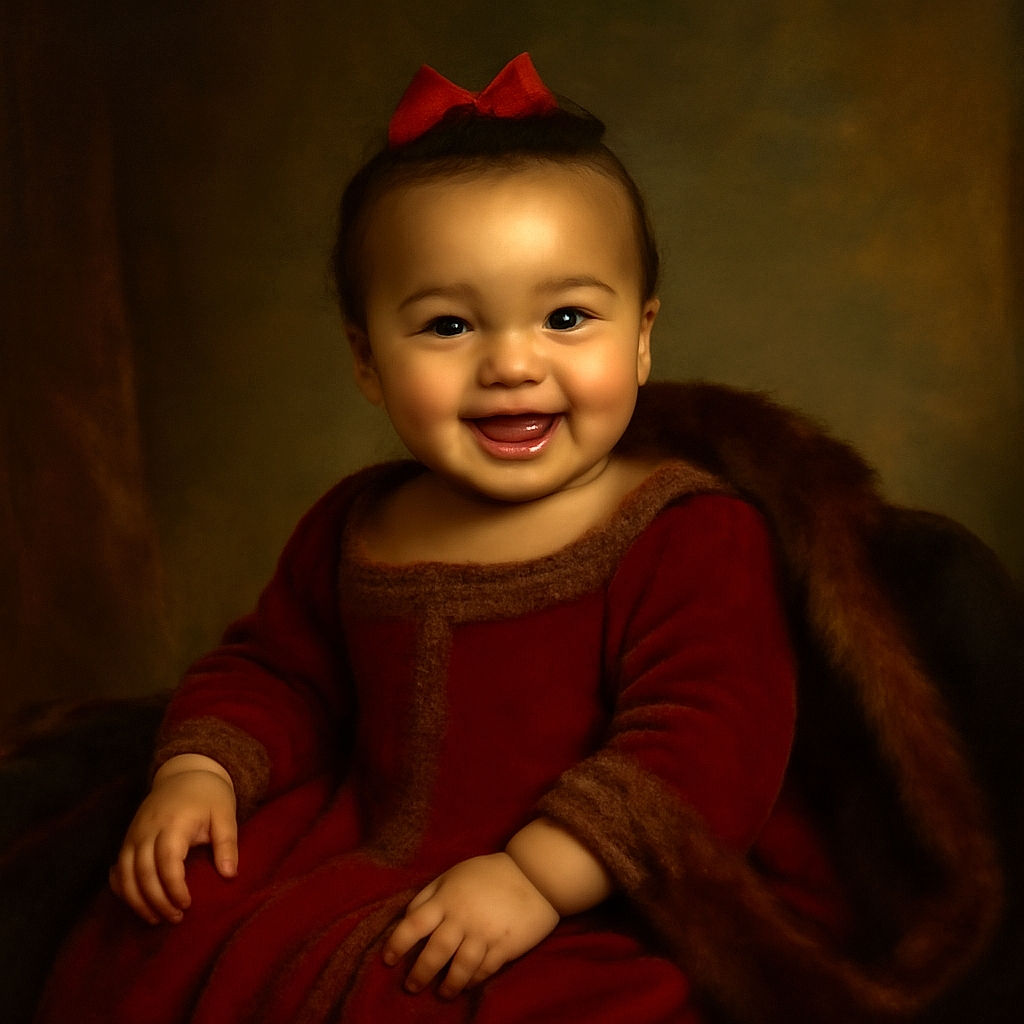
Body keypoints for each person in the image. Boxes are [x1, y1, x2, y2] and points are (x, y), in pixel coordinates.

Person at [36, 55, 1002, 1023]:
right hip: (355, 848)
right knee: (165, 925)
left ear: (641, 337)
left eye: (567, 316)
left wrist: (537, 877)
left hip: (602, 891)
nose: (510, 363)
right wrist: (200, 769)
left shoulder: (684, 529)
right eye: (449, 324)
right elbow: (278, 668)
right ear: (367, 361)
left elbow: (706, 742)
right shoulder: (358, 522)